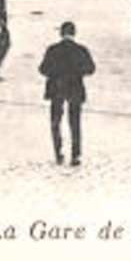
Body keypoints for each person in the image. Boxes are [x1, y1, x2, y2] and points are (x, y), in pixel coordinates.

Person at [38, 20, 95, 166]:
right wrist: (76, 71)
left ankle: (58, 153)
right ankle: (75, 155)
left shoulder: (52, 50)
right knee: (75, 122)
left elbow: (43, 69)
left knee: (55, 122)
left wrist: (56, 73)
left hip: (57, 88)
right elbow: (90, 69)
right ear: (74, 33)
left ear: (61, 33)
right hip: (75, 87)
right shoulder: (81, 50)